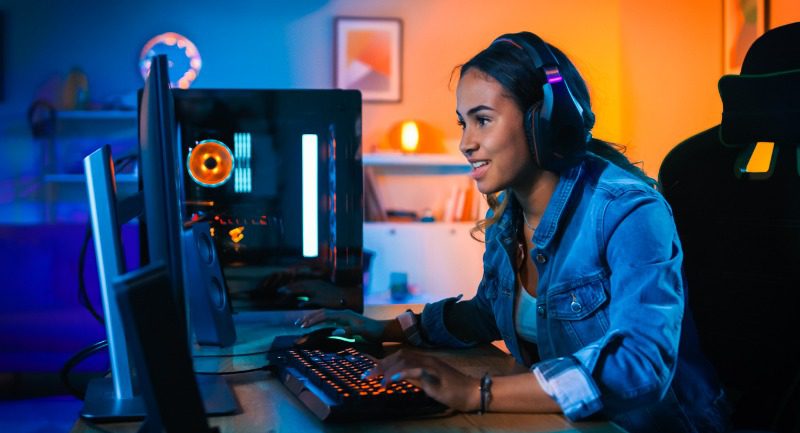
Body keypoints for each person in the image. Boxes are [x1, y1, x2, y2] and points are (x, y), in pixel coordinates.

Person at [298, 31, 729, 433]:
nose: (465, 142)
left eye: (482, 120)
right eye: (462, 123)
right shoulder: (509, 213)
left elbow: (640, 365)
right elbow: (488, 312)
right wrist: (385, 329)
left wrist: (475, 391)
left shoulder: (629, 212)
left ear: (545, 122)